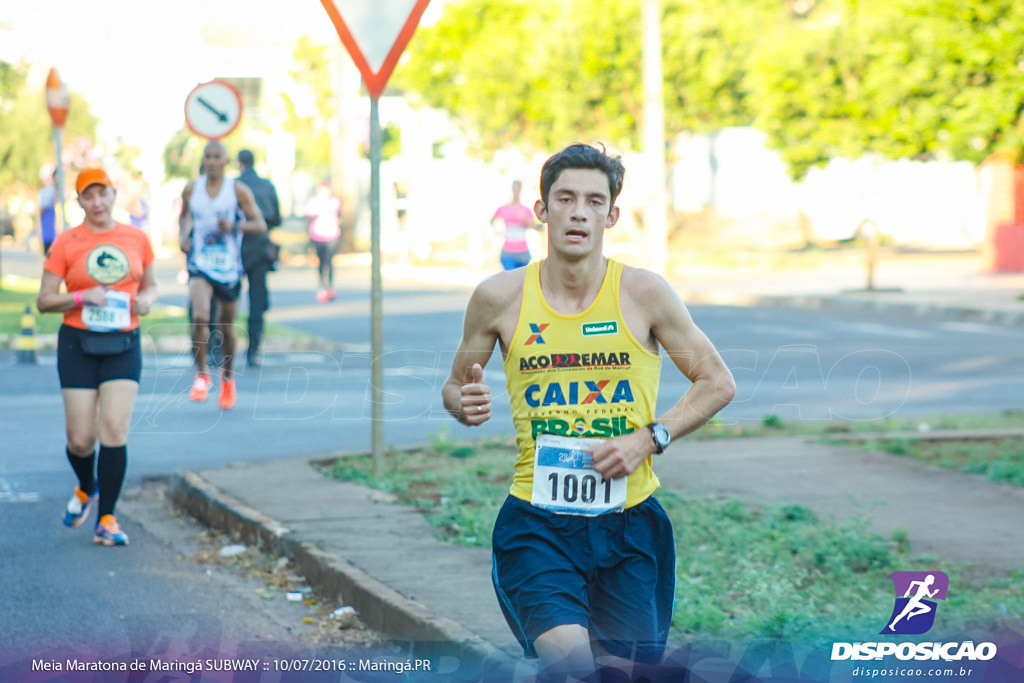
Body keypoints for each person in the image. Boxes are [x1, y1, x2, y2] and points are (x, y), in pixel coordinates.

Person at [442, 144, 736, 679]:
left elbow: (716, 383)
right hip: (537, 524)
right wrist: (464, 403)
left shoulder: (645, 293)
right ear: (542, 210)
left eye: (594, 201)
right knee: (576, 666)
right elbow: (456, 386)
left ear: (611, 215)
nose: (579, 211)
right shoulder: (499, 297)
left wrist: (649, 438)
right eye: (566, 198)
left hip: (631, 528)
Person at [36, 167, 158, 546]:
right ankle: (87, 486)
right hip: (77, 343)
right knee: (80, 439)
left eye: (102, 194)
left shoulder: (136, 238)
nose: (97, 203)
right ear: (79, 202)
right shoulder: (67, 242)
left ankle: (107, 517)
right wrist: (79, 296)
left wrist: (146, 301)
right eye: (88, 196)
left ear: (113, 195)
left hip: (124, 342)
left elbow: (151, 286)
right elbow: (43, 300)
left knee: (114, 430)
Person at [178, 140, 266, 410]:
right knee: (201, 316)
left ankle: (227, 377)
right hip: (200, 264)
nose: (212, 161)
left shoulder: (237, 190)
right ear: (202, 160)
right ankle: (202, 375)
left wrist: (235, 225)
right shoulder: (192, 189)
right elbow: (183, 217)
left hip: (228, 266)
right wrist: (183, 236)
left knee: (227, 327)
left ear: (226, 162)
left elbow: (259, 224)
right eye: (208, 156)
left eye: (217, 157)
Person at [235, 149, 281, 368]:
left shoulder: (232, 186)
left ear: (238, 163)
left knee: (225, 299)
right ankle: (253, 351)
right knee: (257, 302)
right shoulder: (266, 185)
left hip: (234, 248)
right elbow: (276, 217)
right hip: (260, 248)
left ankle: (218, 348)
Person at [491, 179, 542, 270]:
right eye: (514, 188)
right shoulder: (503, 209)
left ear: (520, 190)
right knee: (510, 280)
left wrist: (526, 221)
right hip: (508, 252)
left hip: (523, 253)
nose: (516, 191)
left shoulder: (526, 210)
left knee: (522, 281)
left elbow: (538, 227)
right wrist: (497, 231)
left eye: (518, 188)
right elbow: (492, 221)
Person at [304, 181, 341, 303]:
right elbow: (308, 217)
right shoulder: (313, 202)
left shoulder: (334, 201)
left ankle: (330, 287)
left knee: (329, 261)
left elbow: (338, 217)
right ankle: (321, 287)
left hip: (332, 235)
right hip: (317, 235)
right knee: (320, 262)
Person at [37, 168, 58, 255]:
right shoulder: (48, 190)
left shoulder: (54, 189)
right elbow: (43, 206)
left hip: (51, 216)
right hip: (47, 216)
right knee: (48, 240)